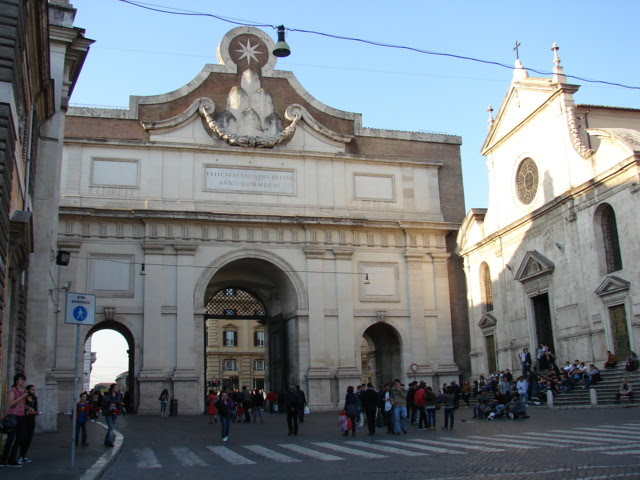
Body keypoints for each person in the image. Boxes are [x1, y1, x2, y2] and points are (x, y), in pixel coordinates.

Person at [1, 373, 28, 467]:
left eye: (24, 380)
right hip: (13, 416)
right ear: (17, 381)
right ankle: (4, 459)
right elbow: (11, 403)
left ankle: (12, 458)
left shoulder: (24, 391)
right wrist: (22, 397)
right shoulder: (13, 390)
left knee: (19, 438)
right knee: (11, 438)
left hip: (21, 416)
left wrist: (28, 408)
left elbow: (21, 404)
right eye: (21, 380)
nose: (23, 382)